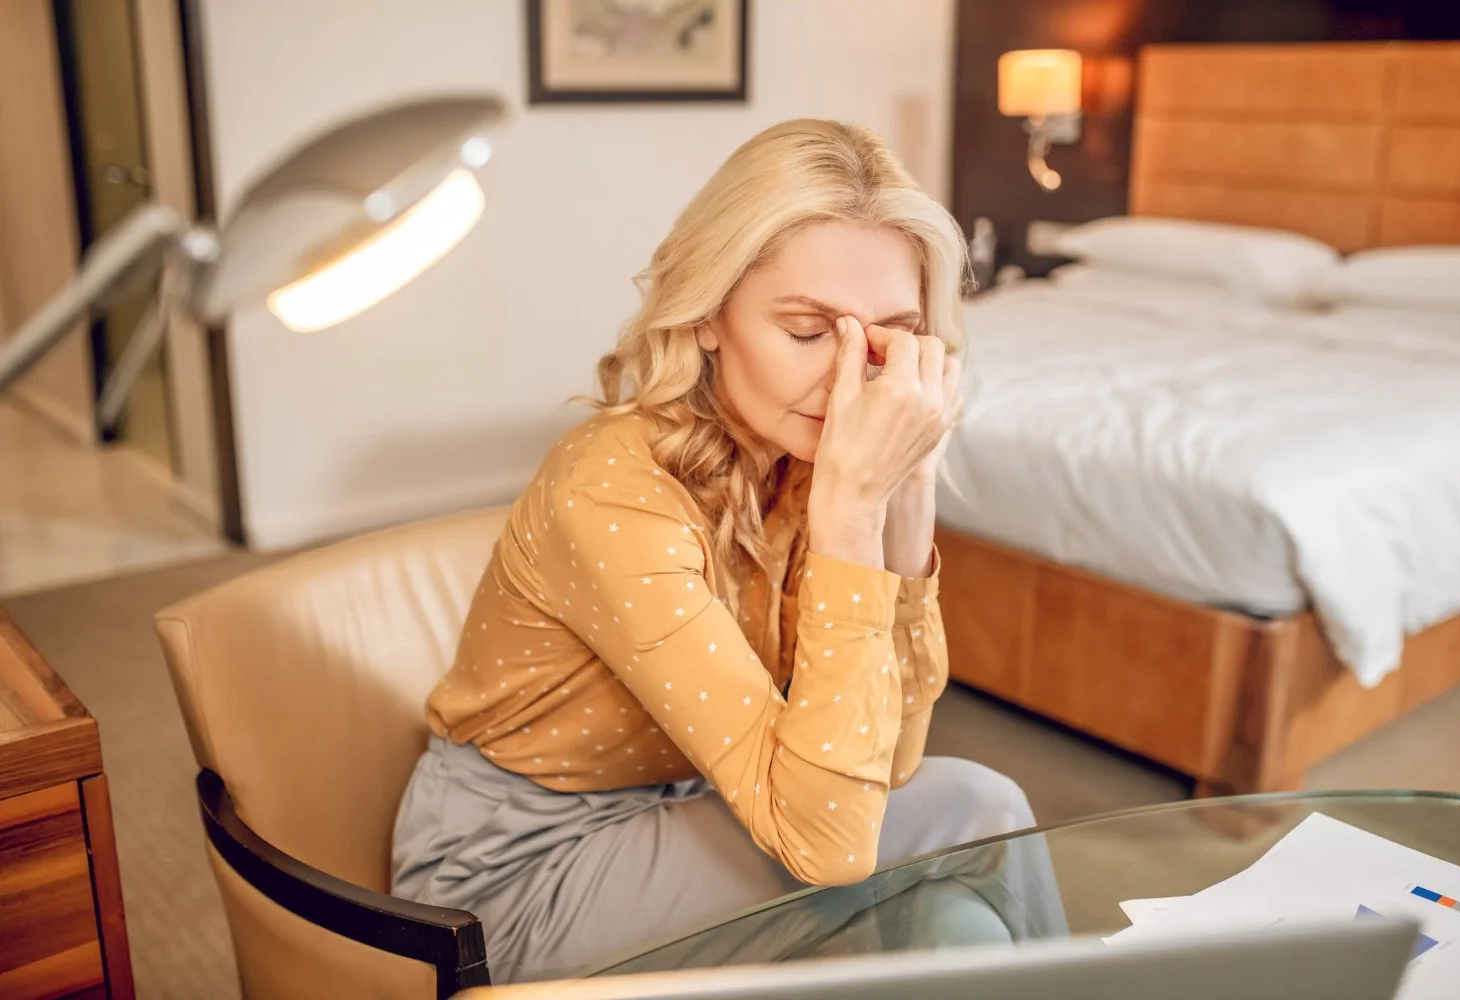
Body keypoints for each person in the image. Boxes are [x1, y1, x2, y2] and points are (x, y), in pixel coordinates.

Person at [391, 118, 1043, 984]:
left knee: (956, 916)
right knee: (981, 814)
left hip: (696, 806)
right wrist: (855, 510)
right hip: (514, 876)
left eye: (888, 338)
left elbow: (887, 760)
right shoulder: (612, 489)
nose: (853, 379)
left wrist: (906, 493)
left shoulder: (811, 460)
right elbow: (832, 842)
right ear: (706, 316)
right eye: (809, 332)